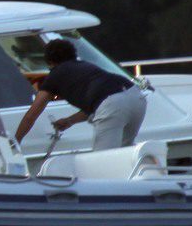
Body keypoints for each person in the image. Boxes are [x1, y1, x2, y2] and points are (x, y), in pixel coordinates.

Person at [14, 39, 146, 150]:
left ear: (49, 62)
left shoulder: (55, 75)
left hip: (113, 103)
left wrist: (16, 141)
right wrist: (69, 121)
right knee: (125, 154)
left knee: (105, 160)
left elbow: (32, 115)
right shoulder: (85, 66)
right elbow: (101, 102)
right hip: (135, 95)